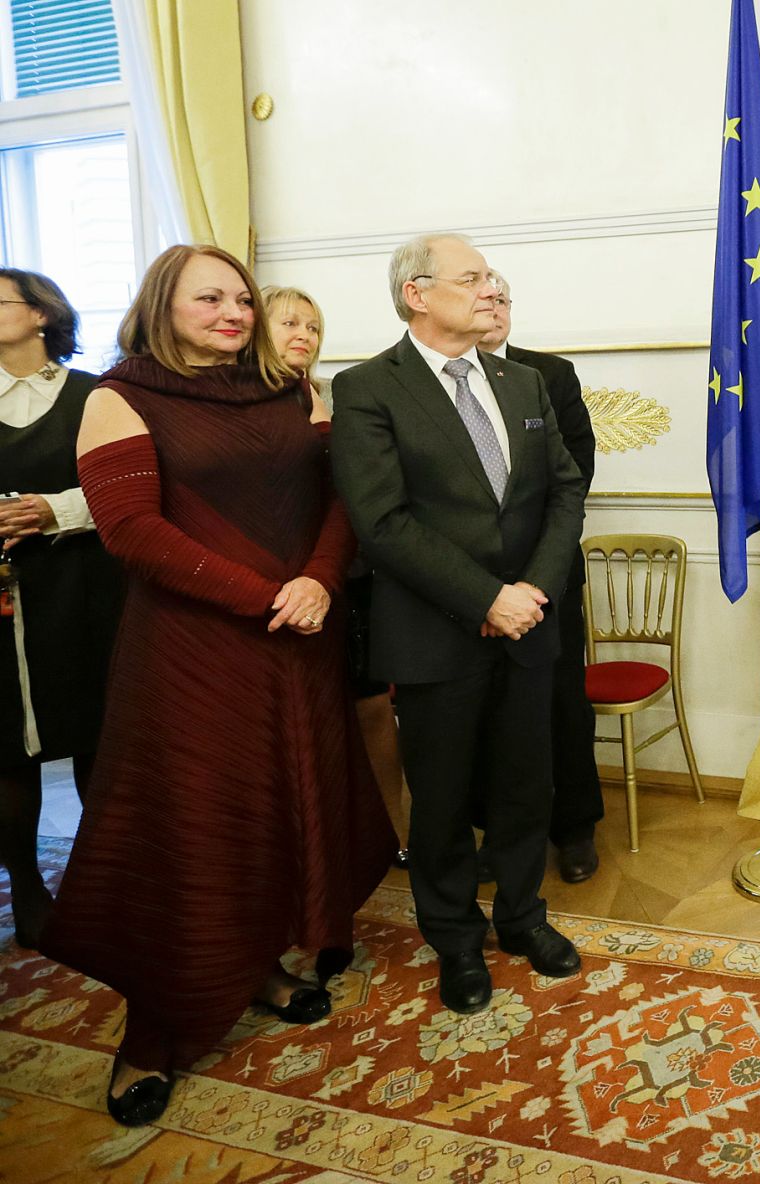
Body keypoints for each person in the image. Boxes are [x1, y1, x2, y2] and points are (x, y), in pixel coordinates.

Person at [41, 245, 395, 1126]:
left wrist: (317, 580)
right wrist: (268, 595)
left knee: (281, 808)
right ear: (163, 303)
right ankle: (153, 1033)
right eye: (211, 297)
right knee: (194, 827)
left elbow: (340, 502)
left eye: (242, 296)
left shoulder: (289, 388)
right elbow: (131, 532)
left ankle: (264, 964)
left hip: (299, 637)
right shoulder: (117, 397)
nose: (234, 310)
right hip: (192, 652)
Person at [329, 233, 586, 1017]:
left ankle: (521, 918)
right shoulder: (369, 387)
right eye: (471, 278)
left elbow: (563, 491)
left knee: (521, 786)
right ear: (418, 293)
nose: (489, 290)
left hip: (529, 625)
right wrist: (485, 599)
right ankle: (456, 943)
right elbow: (383, 522)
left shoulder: (522, 382)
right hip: (438, 634)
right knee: (441, 799)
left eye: (490, 279)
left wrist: (531, 593)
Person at [262, 285, 410, 865]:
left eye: (314, 327)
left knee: (372, 706)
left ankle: (394, 835)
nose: (304, 335)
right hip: (283, 576)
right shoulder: (243, 406)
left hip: (353, 574)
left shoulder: (333, 393)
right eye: (289, 324)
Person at [0, 269, 124, 949]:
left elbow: (129, 487)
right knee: (7, 749)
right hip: (6, 597)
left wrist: (55, 510)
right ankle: (26, 886)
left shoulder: (95, 395)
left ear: (42, 313)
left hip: (85, 586)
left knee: (93, 734)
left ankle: (98, 879)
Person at [477, 271, 603, 883]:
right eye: (485, 298)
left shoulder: (549, 375)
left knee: (559, 700)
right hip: (470, 584)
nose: (495, 308)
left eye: (504, 299)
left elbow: (575, 472)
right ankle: (499, 833)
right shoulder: (432, 381)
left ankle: (574, 828)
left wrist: (535, 577)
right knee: (487, 708)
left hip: (546, 573)